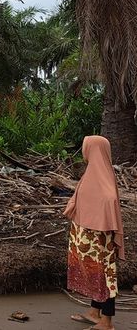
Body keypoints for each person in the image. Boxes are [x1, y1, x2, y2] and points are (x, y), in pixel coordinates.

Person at [66, 135, 125, 330]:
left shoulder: (102, 179)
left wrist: (99, 223)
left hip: (98, 240)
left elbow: (108, 201)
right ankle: (94, 312)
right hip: (87, 238)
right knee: (95, 272)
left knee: (105, 275)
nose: (84, 151)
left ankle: (107, 322)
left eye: (86, 147)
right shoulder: (93, 172)